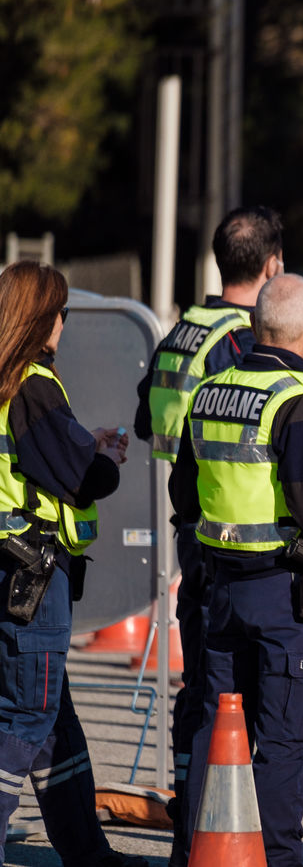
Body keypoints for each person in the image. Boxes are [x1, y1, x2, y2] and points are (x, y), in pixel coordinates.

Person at [169, 273, 303, 867]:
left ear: (255, 326)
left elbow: (184, 495)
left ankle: (198, 853)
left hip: (222, 589)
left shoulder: (211, 393)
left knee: (216, 729)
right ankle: (277, 859)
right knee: (285, 741)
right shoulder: (299, 401)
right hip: (286, 595)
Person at [132, 205, 283, 861]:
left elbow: (148, 420)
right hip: (234, 538)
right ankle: (219, 834)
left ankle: (189, 834)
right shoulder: (243, 339)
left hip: (189, 525)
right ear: (273, 265)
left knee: (200, 688)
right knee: (237, 695)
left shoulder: (185, 330)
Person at [0, 261, 146, 866]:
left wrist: (88, 442)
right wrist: (103, 459)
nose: (65, 323)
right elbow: (82, 476)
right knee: (25, 719)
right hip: (31, 579)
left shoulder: (10, 382)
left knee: (54, 722)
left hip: (14, 571)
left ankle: (89, 854)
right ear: (41, 319)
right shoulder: (32, 384)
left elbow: (44, 456)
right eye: (61, 312)